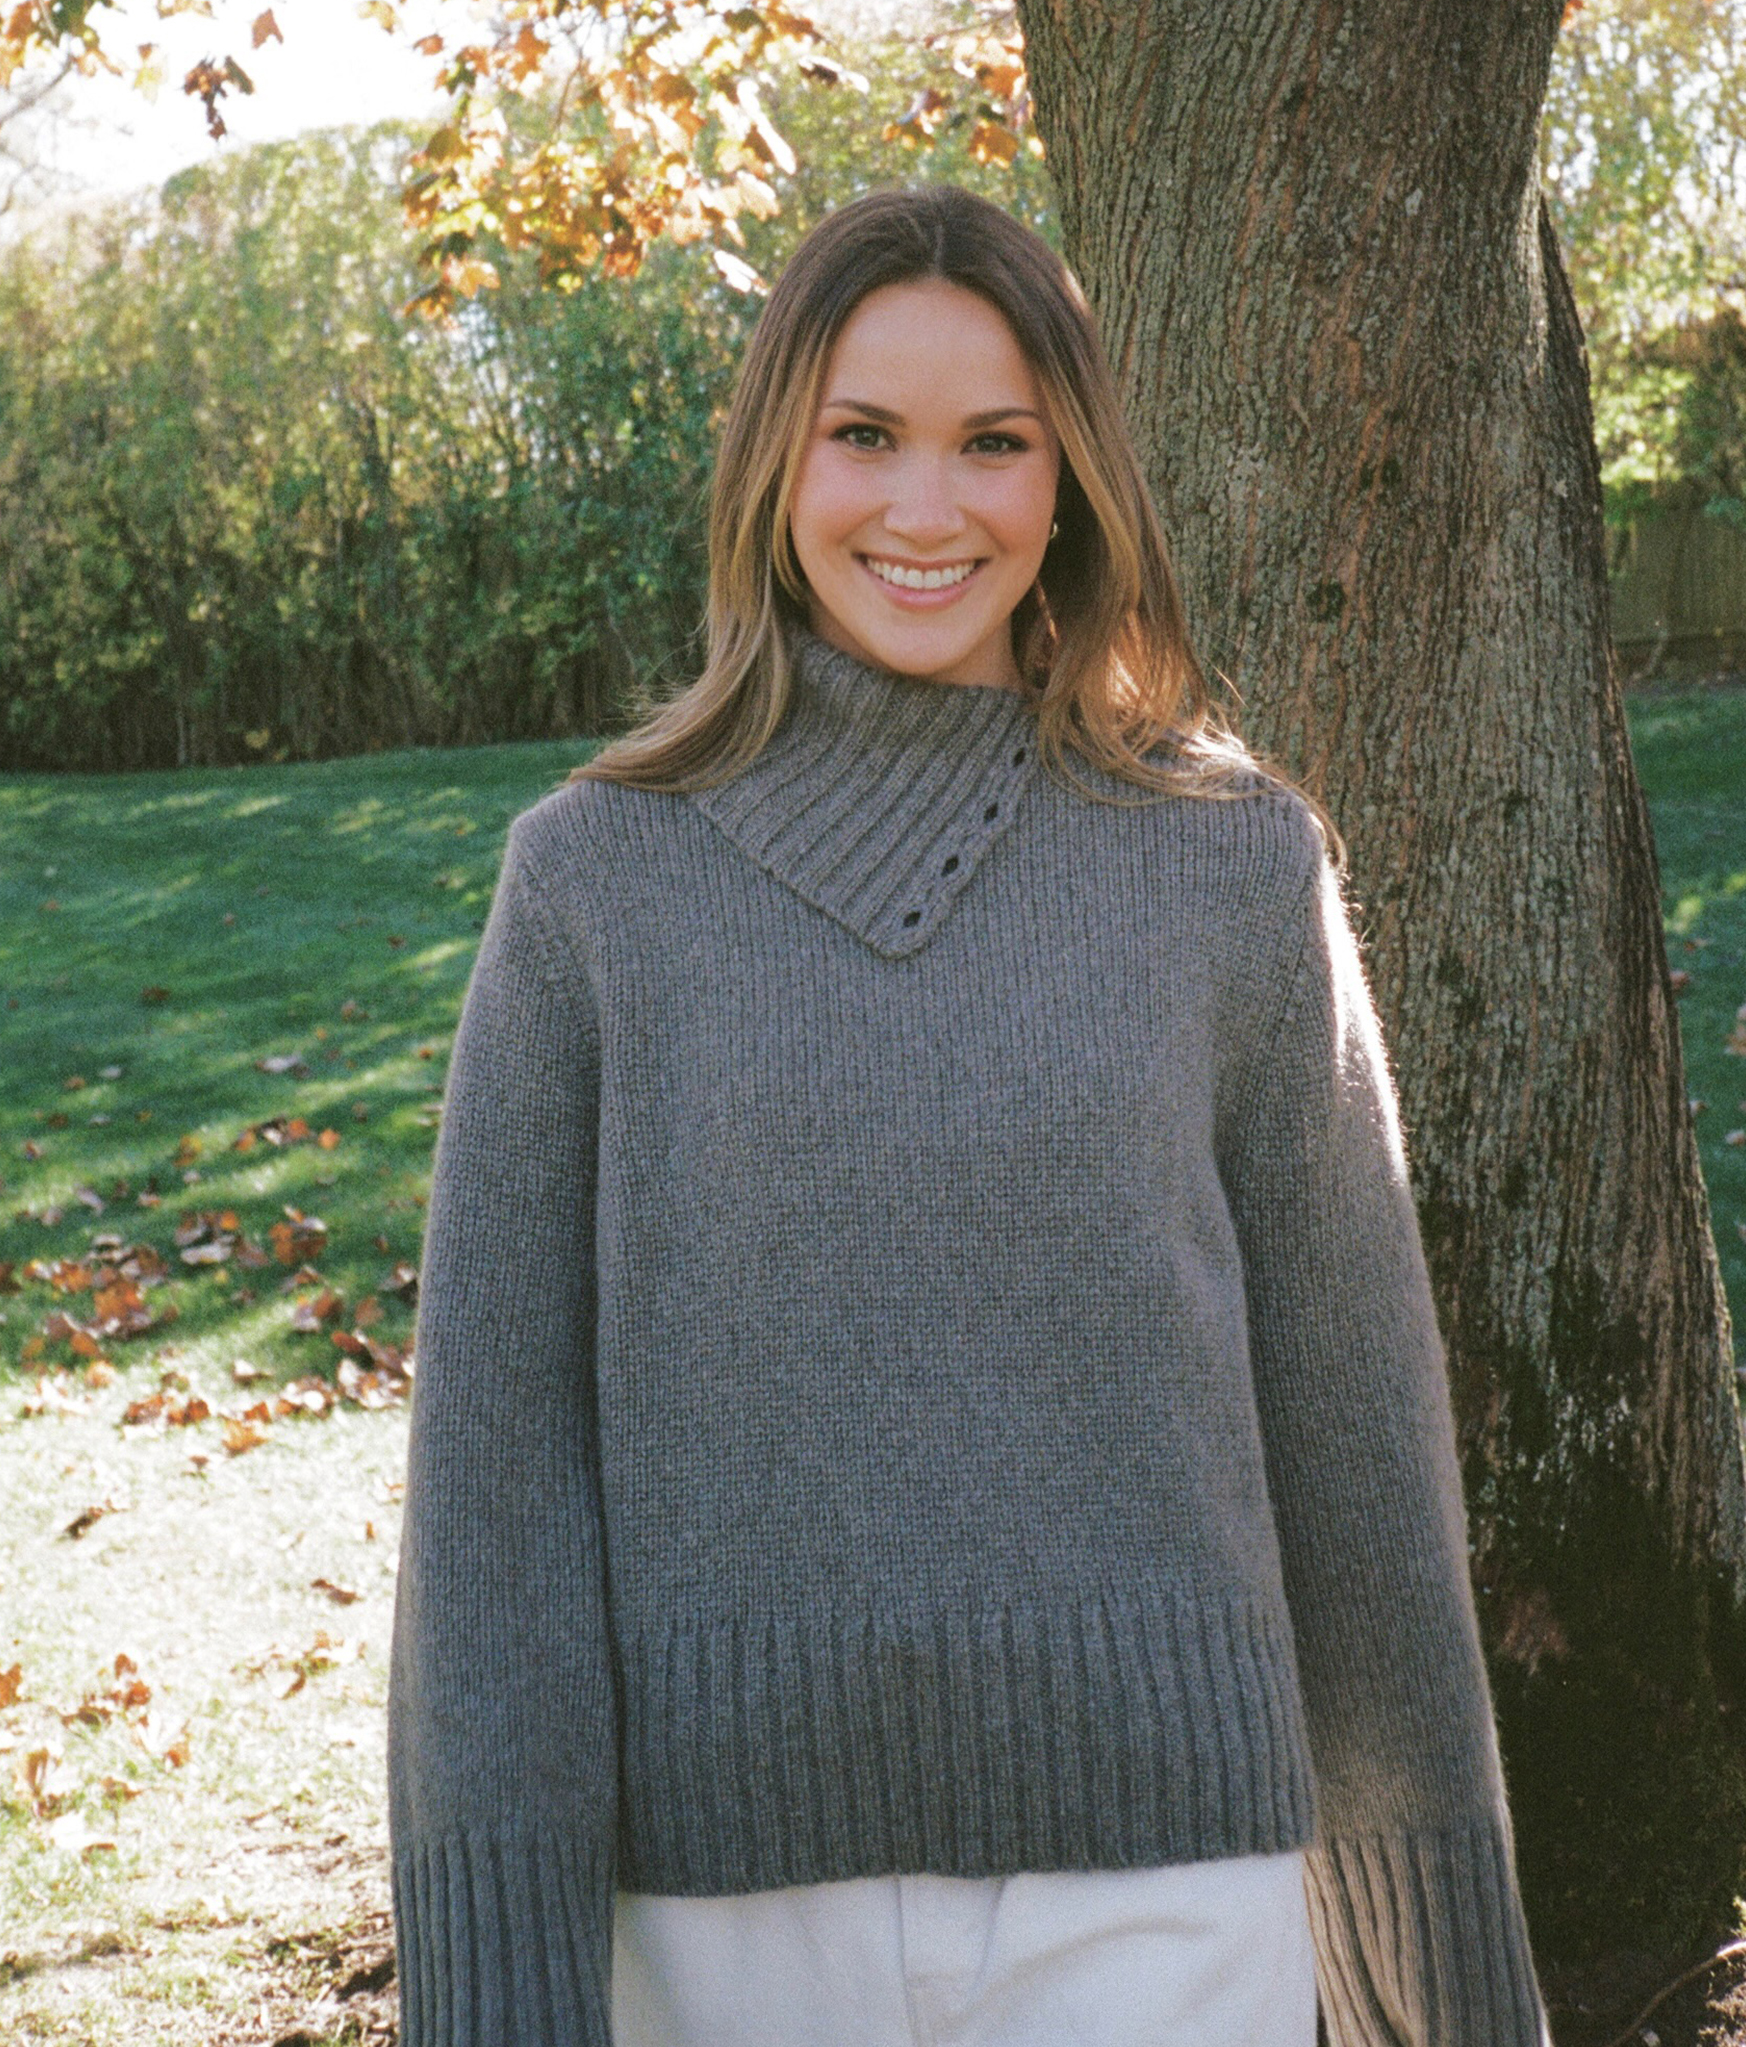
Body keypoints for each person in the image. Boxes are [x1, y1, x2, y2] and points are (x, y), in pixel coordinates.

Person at [386, 186, 1549, 2047]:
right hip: (713, 1921)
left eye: (994, 442)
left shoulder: (1233, 867)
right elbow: (497, 1491)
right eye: (865, 435)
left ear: (1071, 474)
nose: (926, 510)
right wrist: (497, 1982)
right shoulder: (595, 885)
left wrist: (1442, 1970)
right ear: (776, 462)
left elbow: (1359, 1438)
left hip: (1170, 1896)